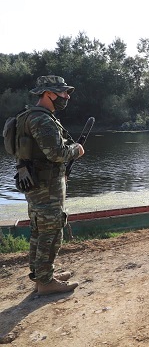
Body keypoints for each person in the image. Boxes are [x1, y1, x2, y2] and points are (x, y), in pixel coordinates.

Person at [17, 75, 85, 295]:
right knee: (51, 231)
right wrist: (76, 149)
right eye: (62, 92)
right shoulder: (43, 120)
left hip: (36, 184)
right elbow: (56, 153)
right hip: (46, 188)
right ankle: (46, 283)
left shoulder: (29, 116)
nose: (66, 96)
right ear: (48, 94)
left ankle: (42, 276)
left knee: (39, 230)